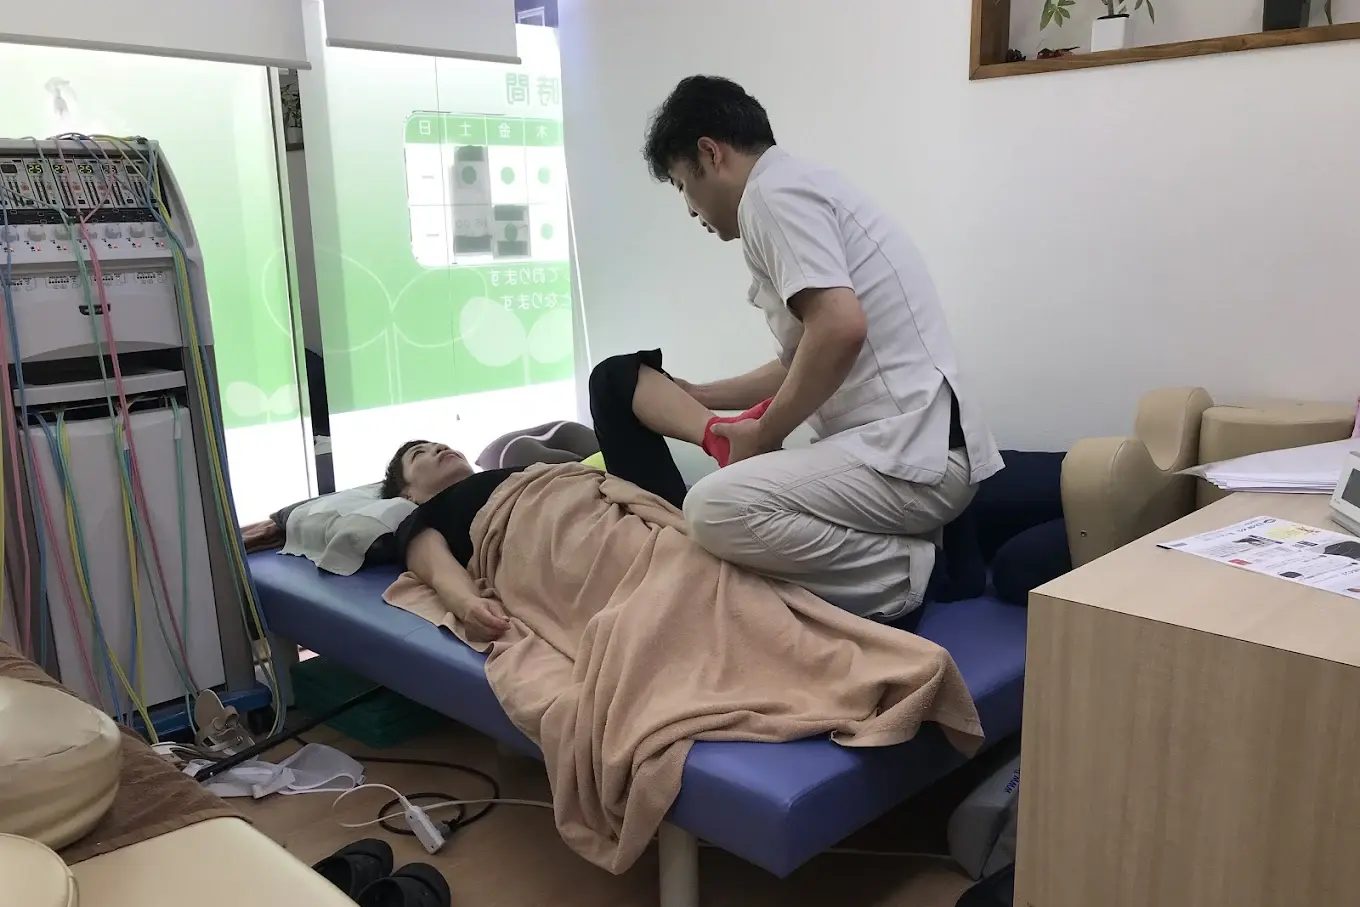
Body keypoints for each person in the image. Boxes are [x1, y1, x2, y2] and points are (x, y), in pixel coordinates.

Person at [639, 75, 1004, 620]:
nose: (690, 209)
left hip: (914, 457)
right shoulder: (796, 185)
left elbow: (839, 330)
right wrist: (700, 394)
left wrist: (766, 432)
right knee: (730, 504)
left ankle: (909, 571)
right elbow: (808, 355)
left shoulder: (771, 197)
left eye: (680, 185)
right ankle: (928, 548)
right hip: (918, 448)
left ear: (710, 154)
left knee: (712, 507)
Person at [383, 350, 770, 642]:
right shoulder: (427, 515)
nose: (438, 448)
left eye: (438, 443)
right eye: (420, 454)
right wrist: (467, 604)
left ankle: (721, 437)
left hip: (625, 498)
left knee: (611, 376)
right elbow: (433, 564)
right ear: (408, 494)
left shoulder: (509, 472)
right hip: (578, 535)